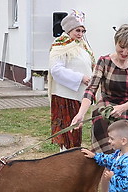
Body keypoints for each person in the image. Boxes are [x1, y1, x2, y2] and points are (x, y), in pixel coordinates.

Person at [71, 24, 128, 192]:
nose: (124, 53)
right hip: (103, 116)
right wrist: (80, 113)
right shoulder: (104, 61)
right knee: (106, 164)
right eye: (121, 47)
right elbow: (91, 90)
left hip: (126, 115)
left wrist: (123, 107)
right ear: (116, 42)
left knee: (125, 163)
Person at [48, 10, 95, 151]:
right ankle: (66, 160)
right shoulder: (60, 45)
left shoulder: (82, 45)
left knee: (75, 133)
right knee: (68, 133)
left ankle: (71, 160)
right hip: (65, 96)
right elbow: (56, 70)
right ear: (69, 30)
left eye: (82, 31)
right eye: (77, 30)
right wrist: (80, 78)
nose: (80, 34)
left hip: (79, 95)